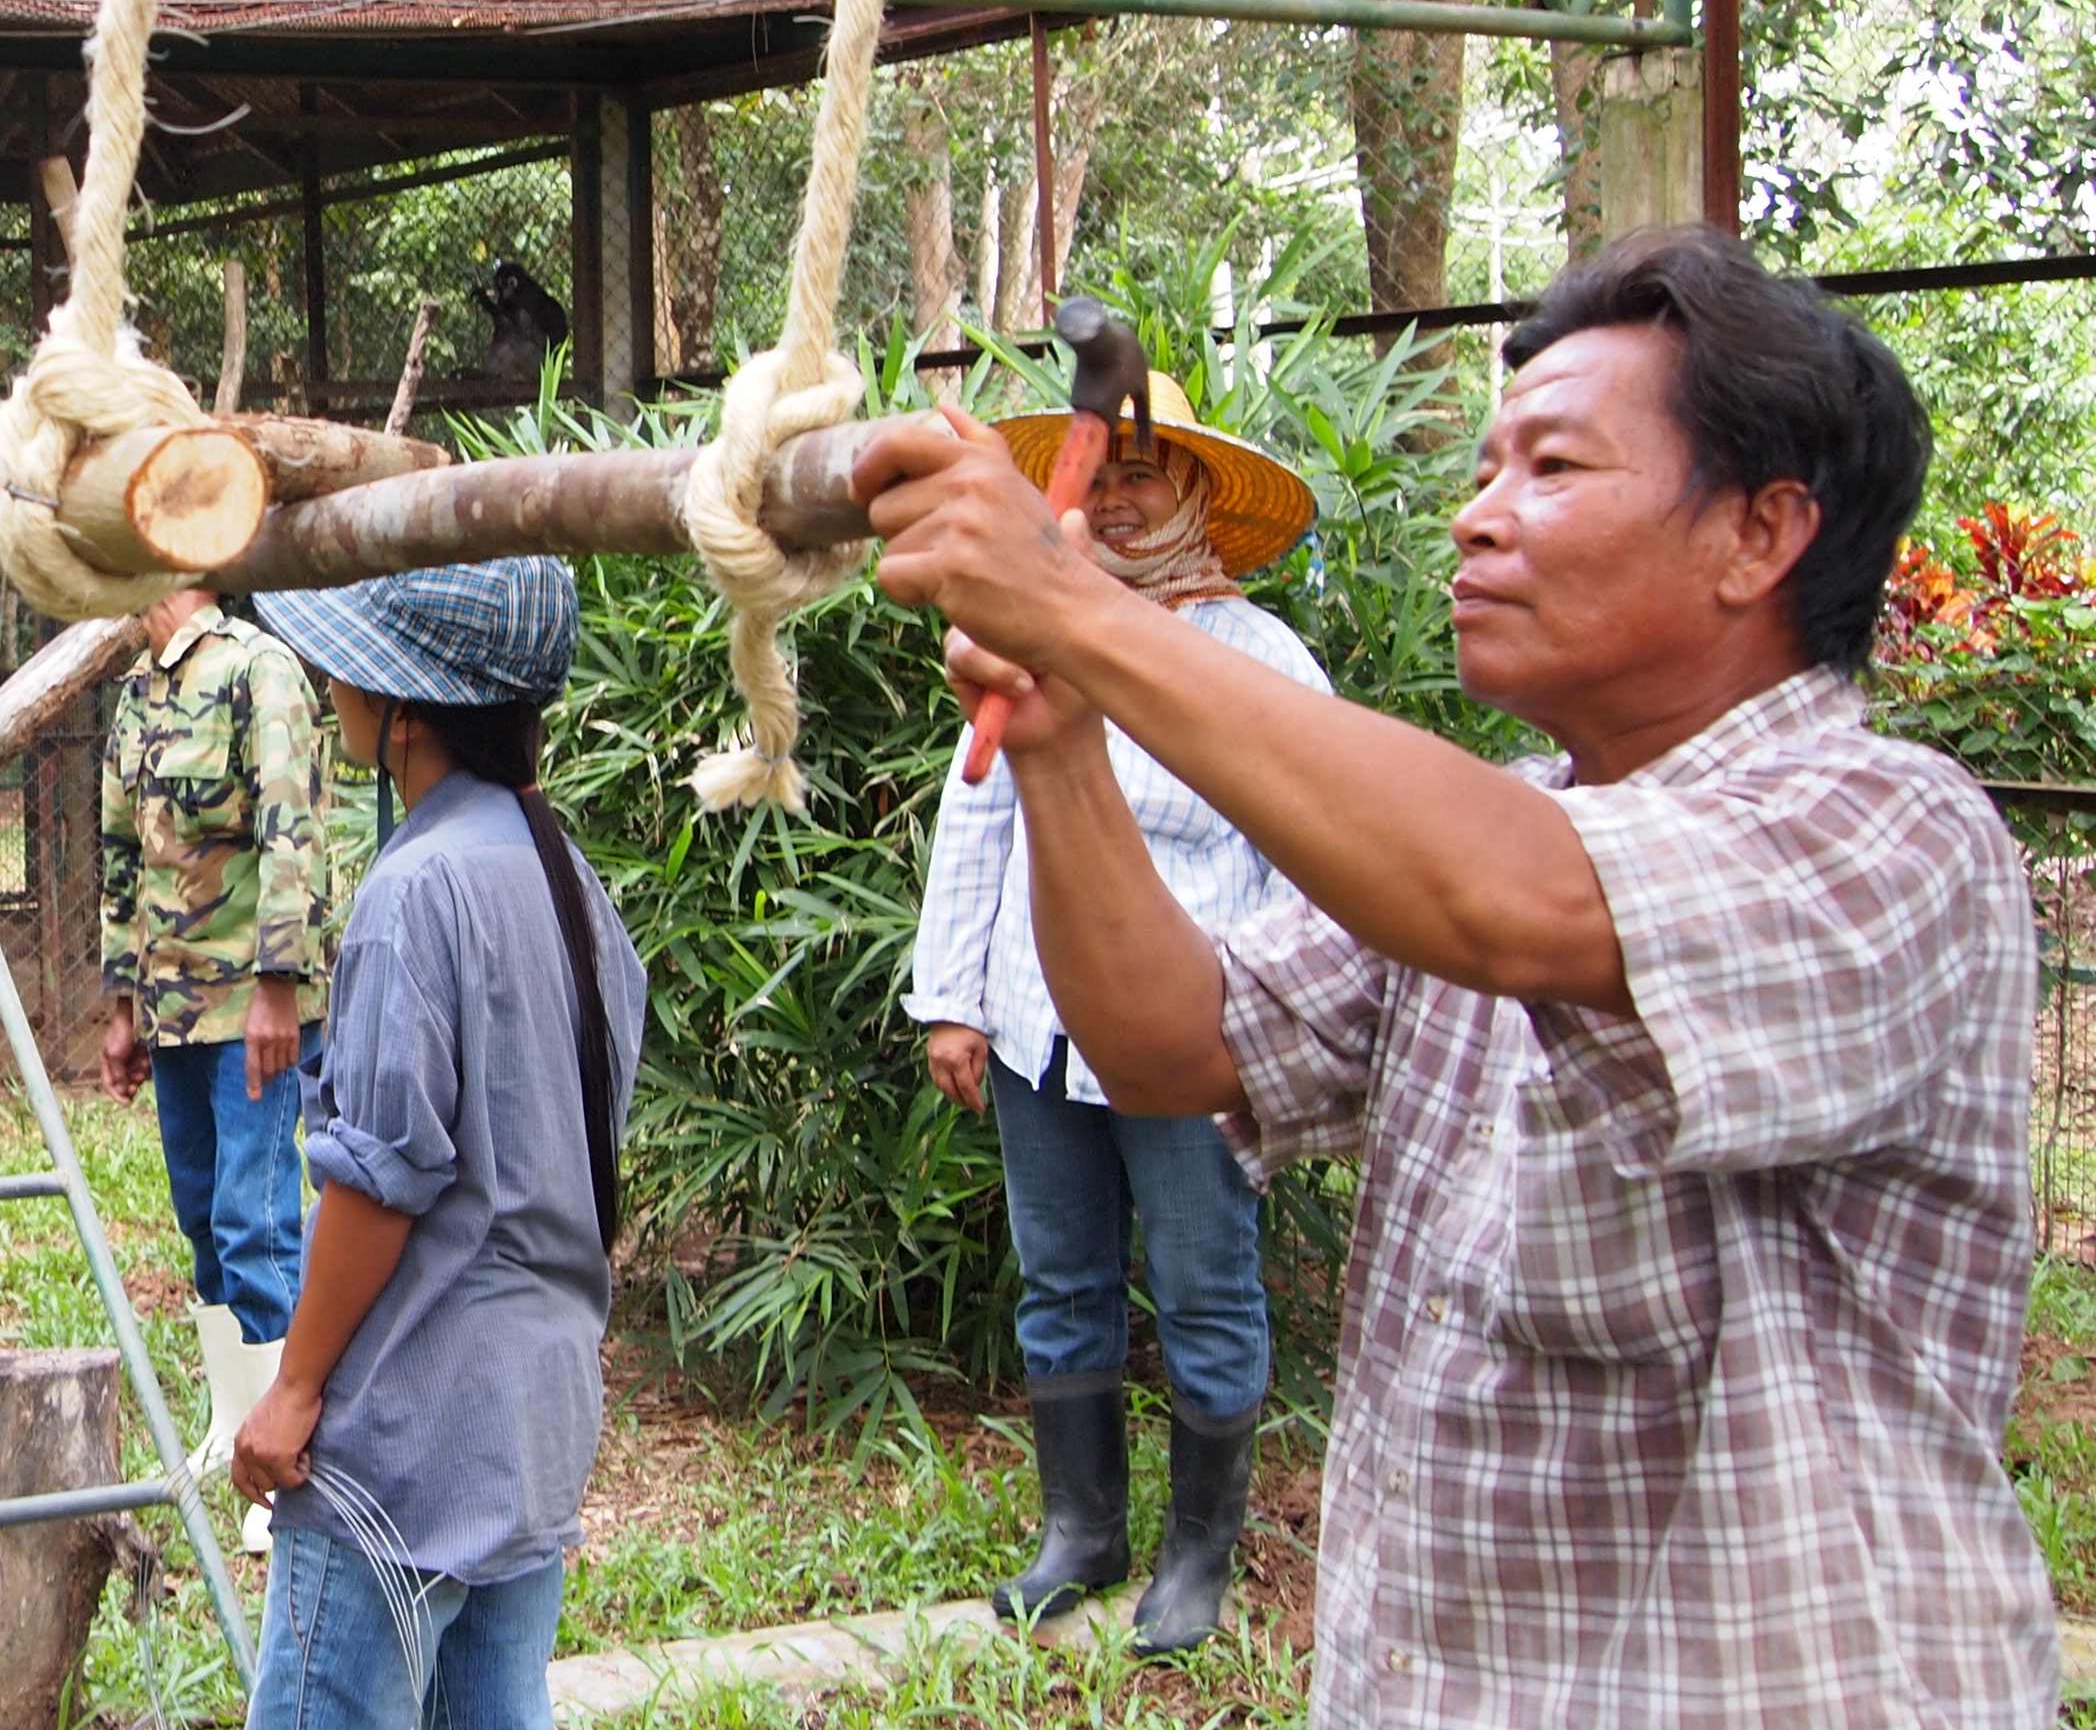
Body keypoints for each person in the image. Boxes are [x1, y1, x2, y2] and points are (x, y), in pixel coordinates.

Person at [859, 228, 2057, 1722]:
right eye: (1484, 470)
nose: (1479, 519)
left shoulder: (1894, 832)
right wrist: (1062, 749)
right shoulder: (1509, 816)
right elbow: (1173, 1041)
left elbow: (1514, 903)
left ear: (1762, 535)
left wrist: (1076, 614)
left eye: (1552, 471)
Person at [904, 368, 1325, 1652]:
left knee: (1203, 1286)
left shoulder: (1260, 658)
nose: (1129, 501)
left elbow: (1308, 849)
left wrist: (1280, 1034)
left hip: (1202, 1034)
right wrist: (953, 1001)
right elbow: (977, 811)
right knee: (1063, 1281)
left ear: (1196, 492)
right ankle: (1079, 1532)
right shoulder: (1035, 641)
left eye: (1152, 476)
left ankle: (1199, 1553)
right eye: (1114, 478)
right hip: (1038, 1021)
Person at [225, 558, 642, 1730]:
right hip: (533, 1415)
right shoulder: (570, 880)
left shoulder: (417, 888)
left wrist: (294, 1389)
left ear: (406, 709)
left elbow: (382, 1182)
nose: (333, 681)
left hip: (405, 1430)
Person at [95, 585, 336, 1550]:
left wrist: (281, 980)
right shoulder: (136, 692)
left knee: (257, 1220)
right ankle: (231, 1430)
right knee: (203, 1221)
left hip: (255, 1010)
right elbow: (121, 856)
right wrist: (122, 1009)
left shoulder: (257, 669)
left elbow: (294, 834)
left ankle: (286, 1470)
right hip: (174, 1011)